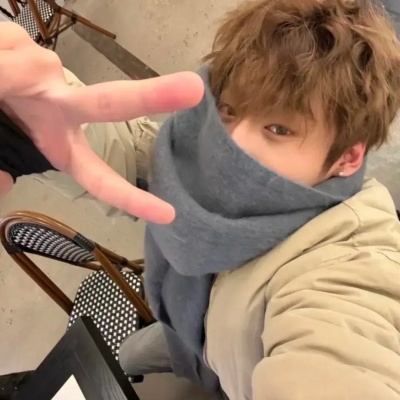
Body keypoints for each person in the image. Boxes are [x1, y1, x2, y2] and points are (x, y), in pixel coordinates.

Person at [2, 1, 400, 399]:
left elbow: (341, 360)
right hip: (187, 329)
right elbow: (141, 153)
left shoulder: (344, 267)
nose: (232, 142)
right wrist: (29, 130)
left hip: (230, 363)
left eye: (279, 129)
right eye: (229, 110)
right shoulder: (198, 143)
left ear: (348, 157)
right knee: (129, 355)